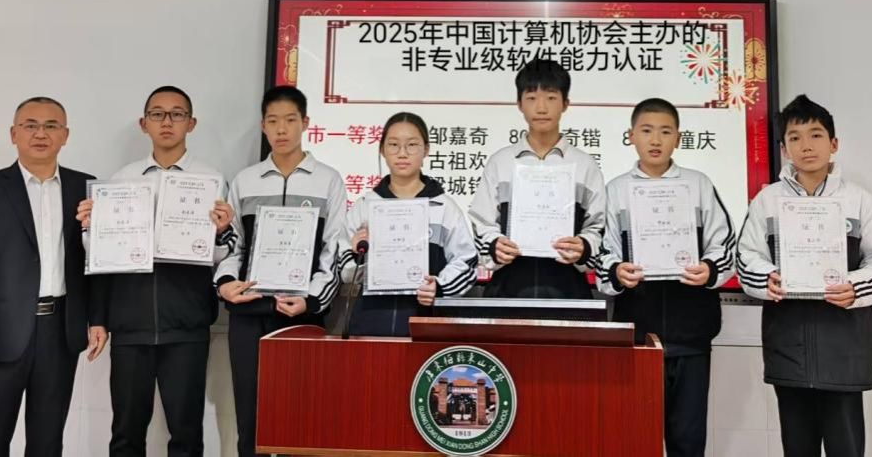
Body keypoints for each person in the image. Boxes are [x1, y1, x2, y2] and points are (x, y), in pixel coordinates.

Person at [736, 94, 872, 457]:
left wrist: (854, 288)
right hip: (788, 348)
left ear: (834, 144)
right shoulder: (767, 201)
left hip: (845, 350)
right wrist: (767, 279)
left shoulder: (860, 200)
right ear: (784, 149)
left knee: (846, 449)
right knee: (797, 448)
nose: (806, 146)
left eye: (815, 135)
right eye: (794, 138)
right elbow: (746, 257)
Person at [75, 86, 235, 457]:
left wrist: (221, 231)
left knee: (186, 434)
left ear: (191, 124)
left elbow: (222, 255)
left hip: (187, 325)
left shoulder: (211, 181)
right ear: (143, 123)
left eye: (177, 114)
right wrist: (90, 227)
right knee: (126, 434)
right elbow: (101, 256)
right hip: (131, 325)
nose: (167, 122)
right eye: (157, 114)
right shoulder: (121, 180)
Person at [0, 96, 107, 457]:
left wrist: (98, 318)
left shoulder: (86, 188)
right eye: (30, 125)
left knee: (48, 440)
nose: (41, 134)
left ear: (65, 135)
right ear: (14, 134)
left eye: (51, 126)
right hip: (1, 333)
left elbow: (97, 260)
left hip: (60, 331)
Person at [596, 97, 736, 457]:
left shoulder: (698, 185)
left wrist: (709, 270)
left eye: (665, 131)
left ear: (678, 138)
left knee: (688, 441)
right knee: (636, 440)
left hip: (692, 335)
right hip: (637, 336)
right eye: (646, 131)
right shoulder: (616, 190)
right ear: (631, 136)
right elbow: (602, 252)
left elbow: (724, 244)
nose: (655, 140)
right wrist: (616, 272)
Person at [214, 85, 346, 457]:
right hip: (249, 313)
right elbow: (234, 246)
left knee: (298, 418)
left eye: (290, 120)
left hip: (300, 315)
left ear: (306, 123)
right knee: (250, 419)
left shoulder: (328, 180)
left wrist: (311, 300)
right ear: (263, 126)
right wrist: (226, 283)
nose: (282, 129)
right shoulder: (246, 180)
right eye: (273, 121)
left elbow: (334, 251)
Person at [468, 58, 606, 299]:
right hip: (508, 289)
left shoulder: (585, 166)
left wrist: (583, 247)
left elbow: (598, 227)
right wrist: (495, 245)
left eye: (551, 98)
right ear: (519, 104)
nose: (541, 108)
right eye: (532, 98)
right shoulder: (501, 163)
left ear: (565, 104)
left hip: (568, 291)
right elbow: (482, 222)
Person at [337, 111, 478, 336]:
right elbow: (345, 271)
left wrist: (439, 286)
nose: (402, 153)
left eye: (412, 145)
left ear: (426, 150)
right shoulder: (365, 207)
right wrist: (359, 255)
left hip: (427, 324)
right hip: (370, 323)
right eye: (393, 145)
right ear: (382, 150)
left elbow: (467, 262)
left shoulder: (444, 207)